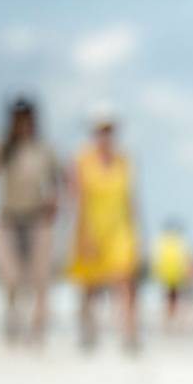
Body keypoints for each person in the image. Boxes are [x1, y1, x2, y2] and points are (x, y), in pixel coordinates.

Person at [0, 96, 63, 347]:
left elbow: (62, 178)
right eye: (19, 119)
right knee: (11, 277)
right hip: (8, 219)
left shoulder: (44, 149)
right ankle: (13, 320)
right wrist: (2, 146)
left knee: (41, 278)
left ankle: (37, 330)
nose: (23, 123)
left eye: (27, 118)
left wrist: (55, 199)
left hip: (38, 219)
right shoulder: (5, 147)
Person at [68, 109, 141, 351]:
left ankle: (129, 334)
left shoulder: (124, 161)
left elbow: (131, 199)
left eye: (109, 131)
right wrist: (82, 235)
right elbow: (77, 200)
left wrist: (137, 231)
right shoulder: (82, 160)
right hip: (91, 228)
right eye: (101, 131)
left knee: (125, 282)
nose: (106, 136)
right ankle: (88, 331)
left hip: (120, 229)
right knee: (89, 285)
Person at [151, 218, 193, 328]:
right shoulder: (179, 240)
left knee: (169, 295)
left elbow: (156, 257)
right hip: (176, 271)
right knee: (175, 295)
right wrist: (187, 270)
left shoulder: (162, 240)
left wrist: (156, 271)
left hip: (166, 271)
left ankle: (170, 316)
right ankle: (173, 316)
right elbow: (185, 256)